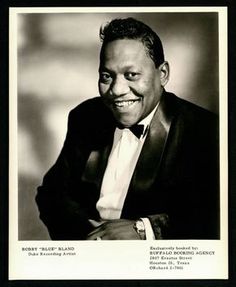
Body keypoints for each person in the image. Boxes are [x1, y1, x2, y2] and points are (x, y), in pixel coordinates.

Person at [36, 17, 219, 240]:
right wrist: (90, 237)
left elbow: (214, 215)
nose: (116, 90)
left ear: (163, 74)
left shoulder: (205, 130)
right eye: (106, 76)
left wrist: (144, 230)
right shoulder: (86, 116)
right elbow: (52, 194)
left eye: (131, 75)